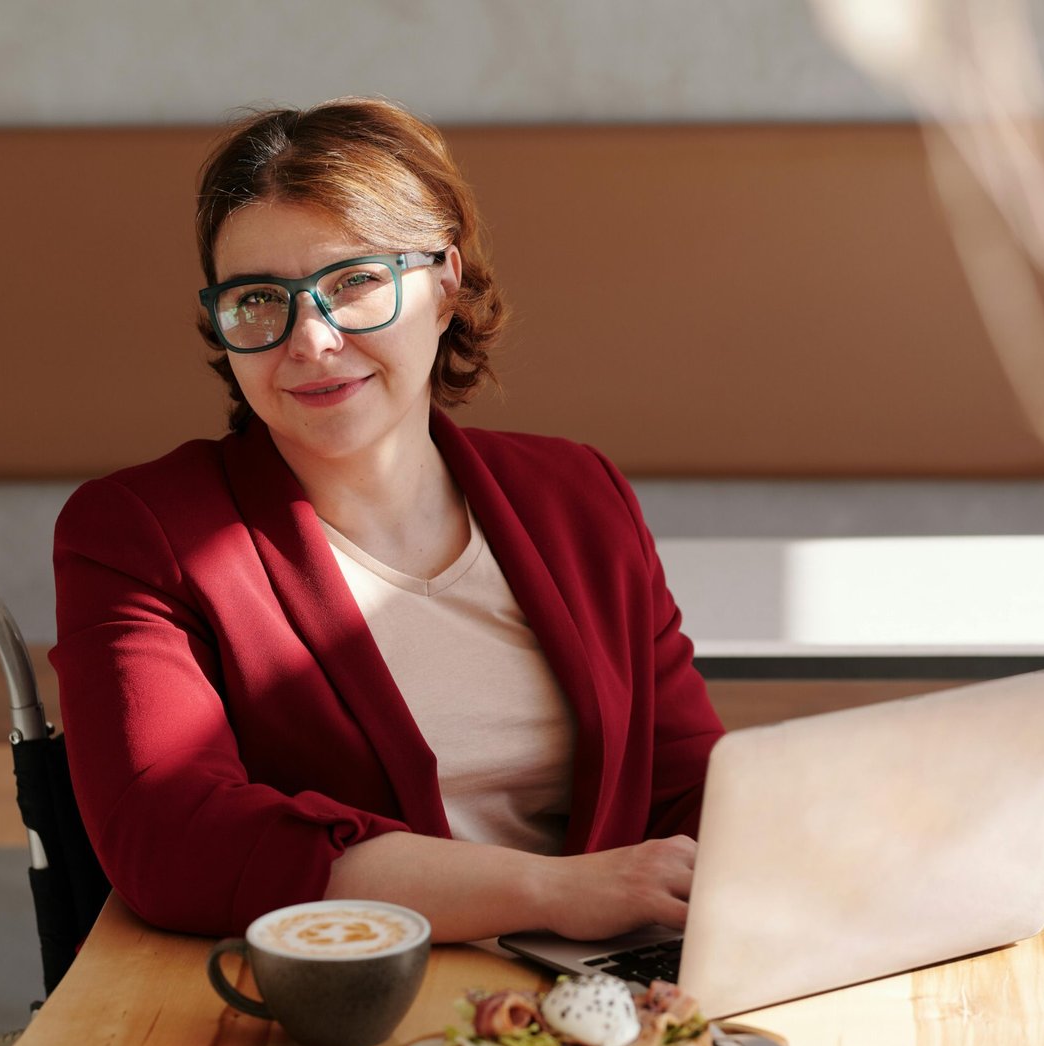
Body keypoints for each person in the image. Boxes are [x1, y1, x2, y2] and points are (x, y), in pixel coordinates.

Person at [50, 97, 724, 943]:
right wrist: (551, 892)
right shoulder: (139, 531)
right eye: (259, 298)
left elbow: (687, 786)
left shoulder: (577, 491)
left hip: (598, 1011)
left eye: (355, 281)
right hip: (332, 1012)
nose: (311, 339)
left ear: (445, 282)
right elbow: (172, 839)